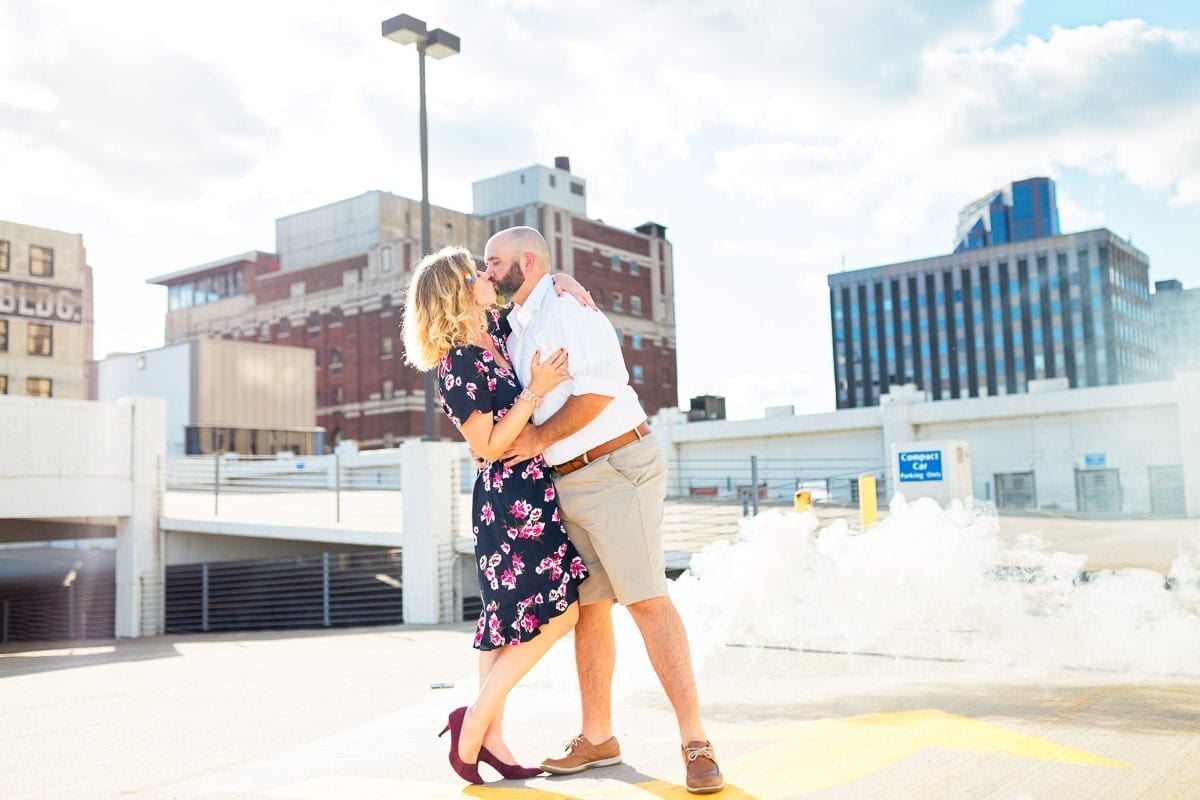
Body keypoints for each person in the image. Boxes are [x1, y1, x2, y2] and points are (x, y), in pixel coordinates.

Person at [483, 227, 724, 795]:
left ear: (528, 261)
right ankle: (598, 737)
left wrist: (538, 438)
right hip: (566, 480)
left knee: (645, 600)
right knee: (590, 610)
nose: (486, 272)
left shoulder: (569, 309)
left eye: (493, 262)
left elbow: (601, 393)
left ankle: (696, 741)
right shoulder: (514, 324)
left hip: (617, 467)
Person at [401, 245, 589, 786]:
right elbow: (486, 446)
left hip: (530, 488)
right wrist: (535, 392)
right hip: (509, 501)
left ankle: (491, 740)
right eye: (475, 273)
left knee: (508, 627)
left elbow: (538, 293)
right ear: (455, 291)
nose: (486, 275)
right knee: (561, 614)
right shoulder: (457, 361)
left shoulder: (497, 335)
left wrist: (567, 281)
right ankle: (474, 720)